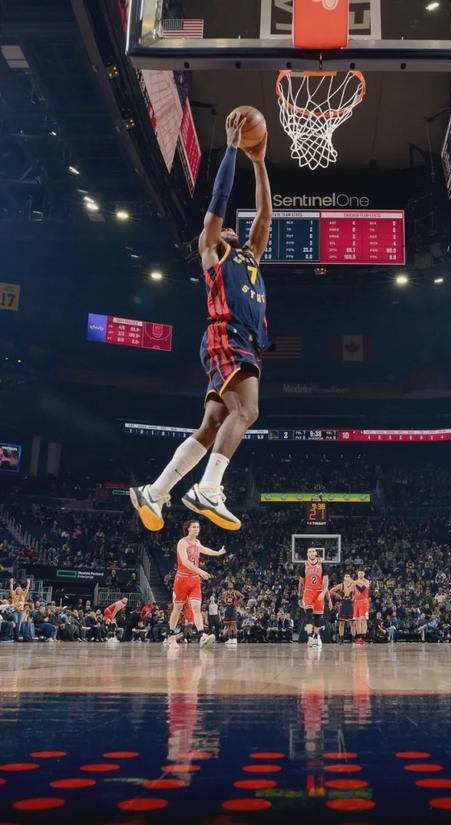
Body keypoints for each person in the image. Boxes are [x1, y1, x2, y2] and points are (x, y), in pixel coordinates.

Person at [130, 110, 272, 534]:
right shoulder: (213, 251)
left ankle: (155, 491)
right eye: (223, 229)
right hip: (228, 334)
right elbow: (218, 202)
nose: (228, 229)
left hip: (238, 341)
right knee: (248, 409)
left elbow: (265, 215)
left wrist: (259, 162)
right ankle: (208, 488)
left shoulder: (250, 256)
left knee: (212, 425)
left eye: (229, 230)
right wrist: (231, 149)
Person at [167, 520, 226, 649]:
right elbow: (185, 561)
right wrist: (200, 571)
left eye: (198, 527)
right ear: (188, 528)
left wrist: (218, 553)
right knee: (177, 608)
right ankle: (171, 636)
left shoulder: (197, 542)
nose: (196, 529)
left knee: (196, 608)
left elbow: (204, 549)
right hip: (182, 579)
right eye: (194, 527)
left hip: (194, 580)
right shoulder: (182, 542)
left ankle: (202, 635)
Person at [298, 548, 328, 648]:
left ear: (316, 553)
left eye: (313, 551)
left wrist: (323, 592)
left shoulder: (322, 564)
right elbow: (301, 582)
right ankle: (310, 637)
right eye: (309, 552)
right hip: (308, 592)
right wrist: (299, 596)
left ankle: (315, 637)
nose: (311, 553)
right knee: (309, 615)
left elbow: (326, 581)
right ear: (307, 554)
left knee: (318, 618)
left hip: (319, 592)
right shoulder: (304, 565)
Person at [330, 575, 355, 644]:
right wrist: (338, 595)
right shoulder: (341, 585)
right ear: (344, 578)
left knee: (352, 623)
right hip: (343, 604)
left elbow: (360, 592)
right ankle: (341, 639)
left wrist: (354, 598)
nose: (347, 577)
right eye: (346, 576)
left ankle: (353, 639)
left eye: (348, 576)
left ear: (350, 578)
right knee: (341, 623)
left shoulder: (353, 585)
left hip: (351, 604)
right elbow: (331, 591)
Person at [9, 577, 30, 641]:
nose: (19, 590)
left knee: (19, 624)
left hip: (21, 611)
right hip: (15, 611)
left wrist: (28, 583)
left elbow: (27, 589)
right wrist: (11, 583)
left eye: (20, 590)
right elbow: (11, 589)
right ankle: (15, 637)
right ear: (16, 590)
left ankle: (17, 637)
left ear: (21, 591)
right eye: (17, 589)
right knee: (16, 622)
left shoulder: (23, 595)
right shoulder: (14, 595)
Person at [353, 570, 370, 646]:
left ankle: (363, 638)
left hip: (364, 601)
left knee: (363, 620)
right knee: (357, 621)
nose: (360, 574)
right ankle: (359, 638)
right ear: (357, 574)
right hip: (356, 602)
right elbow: (354, 592)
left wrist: (355, 584)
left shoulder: (366, 581)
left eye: (362, 573)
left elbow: (361, 589)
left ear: (364, 574)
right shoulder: (355, 582)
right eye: (359, 573)